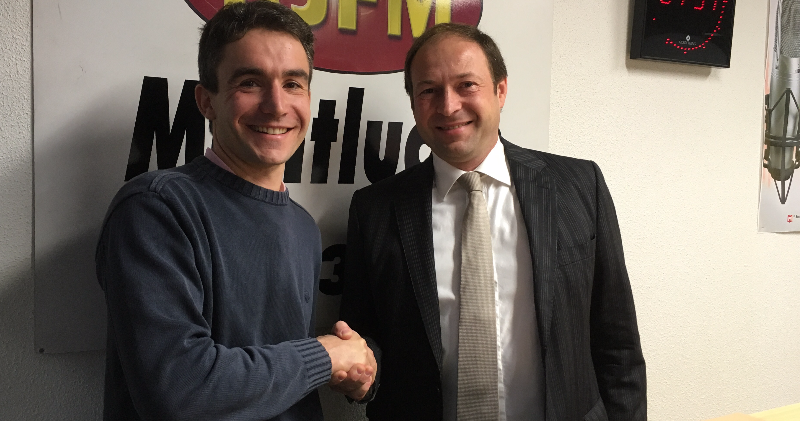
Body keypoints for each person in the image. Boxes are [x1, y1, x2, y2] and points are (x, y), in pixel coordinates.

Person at [340, 23, 646, 420]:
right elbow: (367, 338)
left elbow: (617, 343)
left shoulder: (579, 185)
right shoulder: (375, 210)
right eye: (428, 90)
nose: (448, 106)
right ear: (414, 104)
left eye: (466, 85)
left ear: (500, 91)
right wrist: (361, 373)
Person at [96, 2, 375, 420]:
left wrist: (351, 373)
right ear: (206, 101)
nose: (276, 105)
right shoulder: (157, 209)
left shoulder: (303, 226)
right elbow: (180, 393)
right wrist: (324, 355)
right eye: (250, 82)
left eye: (293, 84)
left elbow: (286, 378)